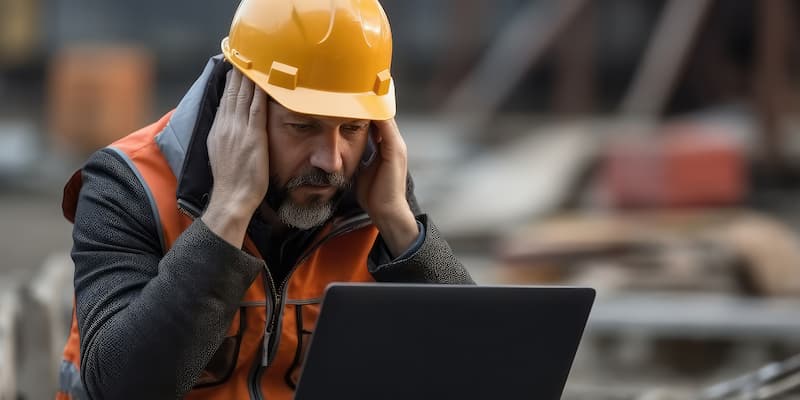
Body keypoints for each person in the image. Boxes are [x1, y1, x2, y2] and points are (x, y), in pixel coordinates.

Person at [55, 0, 474, 399]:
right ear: (239, 107)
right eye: (303, 126)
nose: (330, 161)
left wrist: (401, 225)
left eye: (351, 128)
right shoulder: (128, 185)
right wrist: (226, 214)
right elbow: (121, 387)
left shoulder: (373, 188)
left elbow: (479, 363)